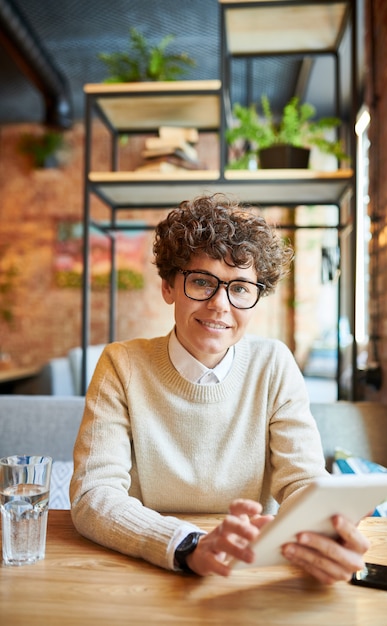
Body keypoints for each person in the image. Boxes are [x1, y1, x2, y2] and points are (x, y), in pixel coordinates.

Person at [70, 193, 369, 583]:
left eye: (240, 288)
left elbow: (301, 480)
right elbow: (94, 495)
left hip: (250, 562)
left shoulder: (274, 364)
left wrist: (326, 526)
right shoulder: (121, 365)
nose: (219, 306)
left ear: (256, 296)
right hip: (149, 566)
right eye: (201, 282)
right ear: (168, 286)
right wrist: (187, 544)